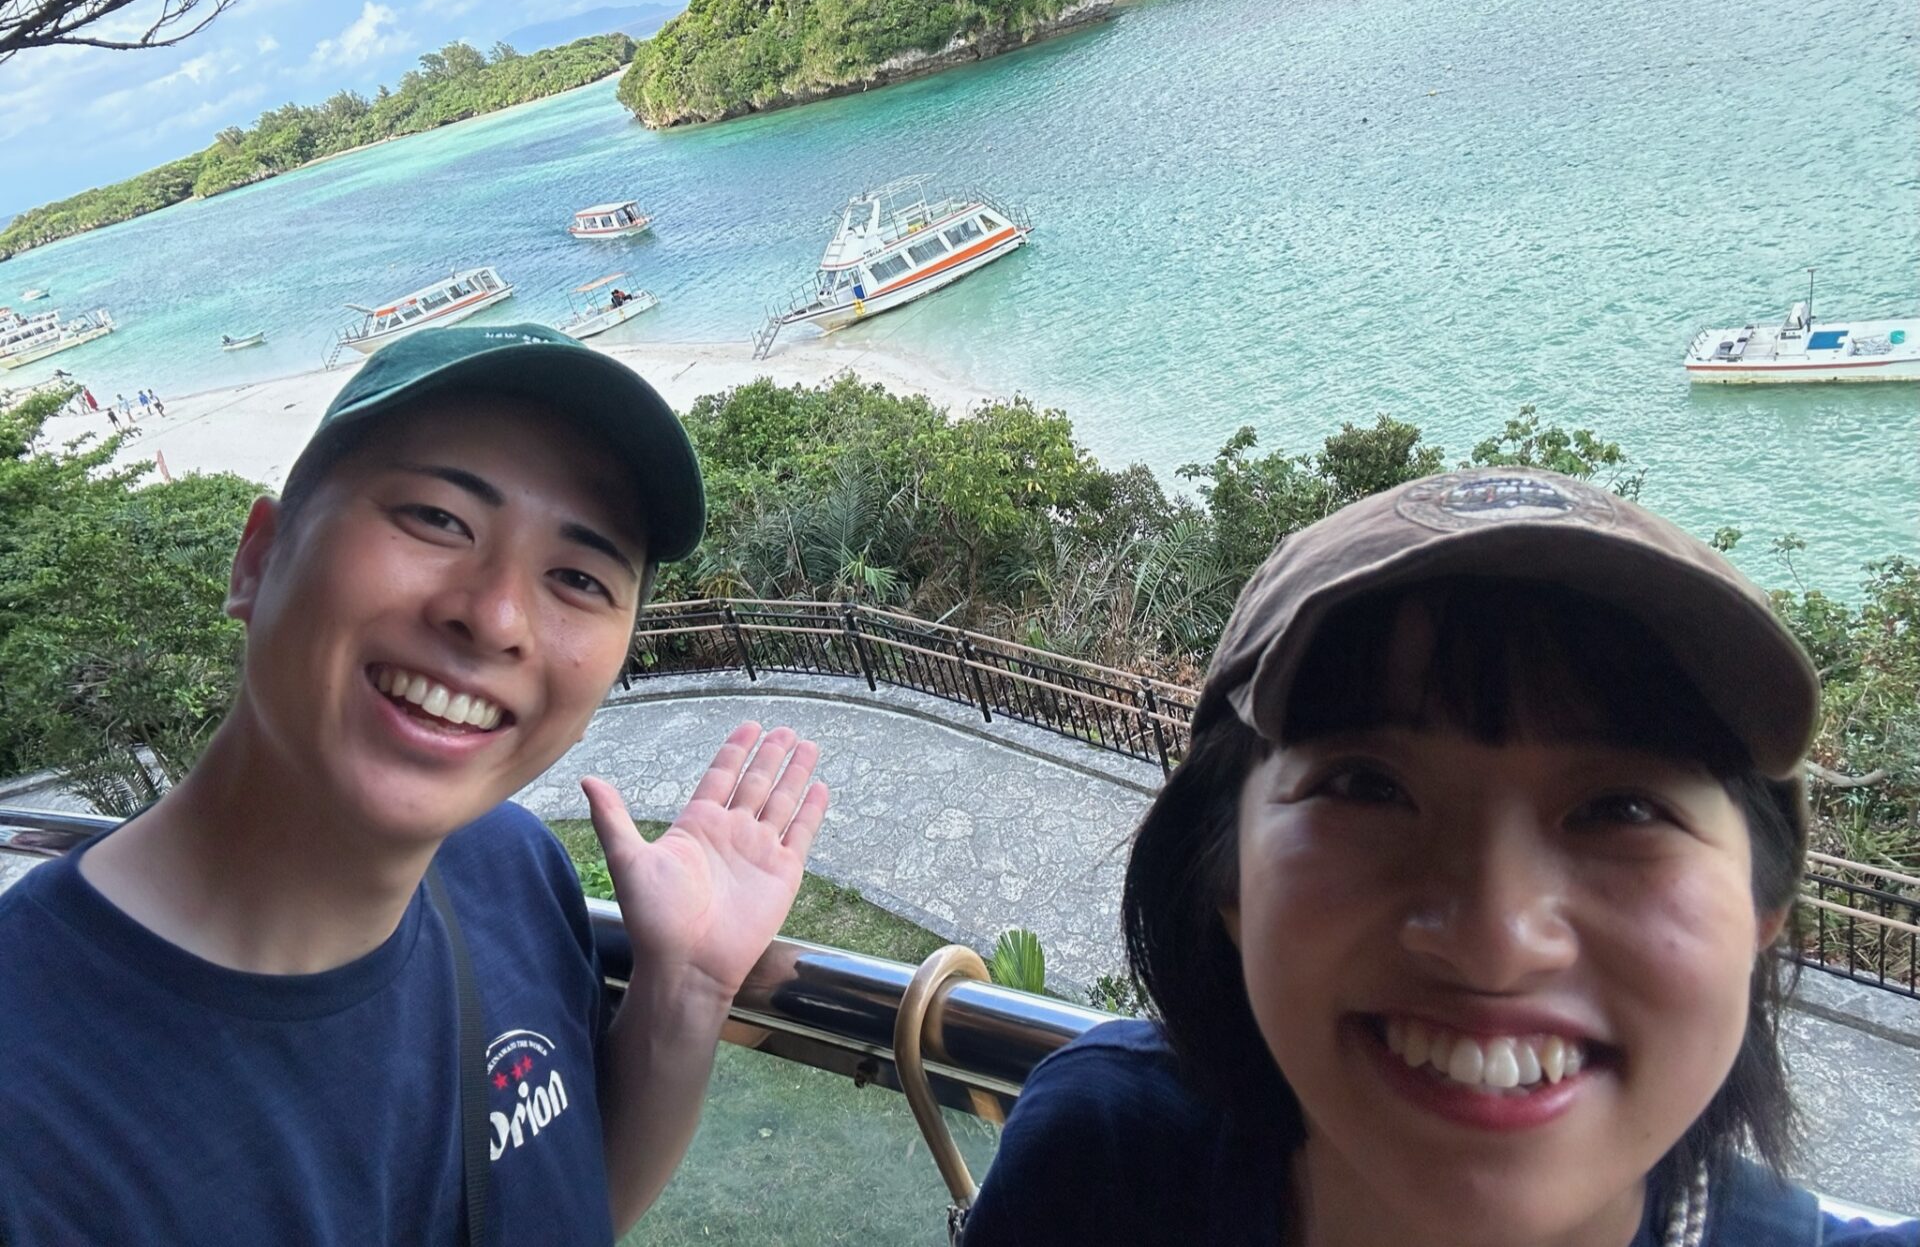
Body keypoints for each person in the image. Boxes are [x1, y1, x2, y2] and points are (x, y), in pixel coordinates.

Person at [0, 322, 830, 1245]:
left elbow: (561, 1209)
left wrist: (686, 987)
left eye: (578, 576)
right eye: (438, 518)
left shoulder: (513, 873)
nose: (498, 616)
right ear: (258, 561)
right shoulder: (31, 1110)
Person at [963, 468, 1918, 1247]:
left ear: (1763, 909)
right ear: (1225, 877)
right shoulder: (1097, 1171)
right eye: (1365, 786)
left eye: (1622, 809)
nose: (1494, 941)